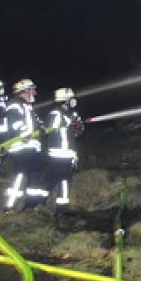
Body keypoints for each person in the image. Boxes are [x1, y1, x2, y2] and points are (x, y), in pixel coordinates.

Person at [4, 78, 48, 210]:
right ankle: (9, 207)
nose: (35, 92)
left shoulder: (28, 107)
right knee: (20, 177)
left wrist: (42, 128)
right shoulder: (14, 105)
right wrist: (25, 132)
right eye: (32, 89)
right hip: (21, 147)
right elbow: (16, 123)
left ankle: (30, 205)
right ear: (25, 91)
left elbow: (36, 123)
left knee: (34, 176)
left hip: (32, 147)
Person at [45, 87, 82, 216]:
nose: (73, 100)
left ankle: (43, 204)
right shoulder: (56, 113)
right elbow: (51, 129)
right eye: (70, 98)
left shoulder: (70, 114)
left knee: (56, 179)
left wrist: (78, 126)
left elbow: (76, 134)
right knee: (63, 181)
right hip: (59, 153)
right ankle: (60, 210)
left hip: (68, 153)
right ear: (64, 100)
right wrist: (69, 122)